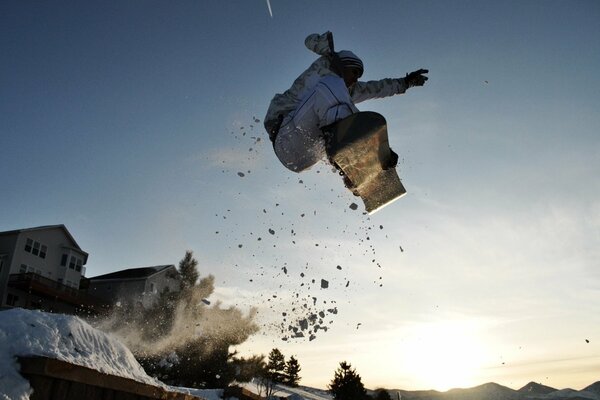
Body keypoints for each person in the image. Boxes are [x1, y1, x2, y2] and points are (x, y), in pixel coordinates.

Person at [264, 31, 428, 173]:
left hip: (304, 157)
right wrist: (326, 48)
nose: (356, 79)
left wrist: (406, 82)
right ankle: (364, 150)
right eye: (355, 72)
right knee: (332, 87)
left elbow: (376, 88)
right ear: (344, 64)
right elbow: (309, 40)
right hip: (285, 135)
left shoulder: (345, 92)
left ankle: (358, 171)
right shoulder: (325, 70)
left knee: (340, 106)